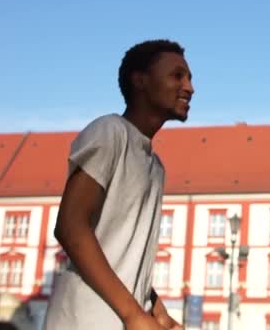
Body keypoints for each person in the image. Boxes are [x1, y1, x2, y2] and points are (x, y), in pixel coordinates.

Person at [43, 39, 194, 330]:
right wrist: (133, 315)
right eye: (177, 75)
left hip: (120, 317)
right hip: (86, 318)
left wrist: (155, 308)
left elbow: (123, 252)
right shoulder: (110, 132)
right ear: (140, 80)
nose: (189, 87)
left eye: (189, 78)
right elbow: (70, 225)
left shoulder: (155, 165)